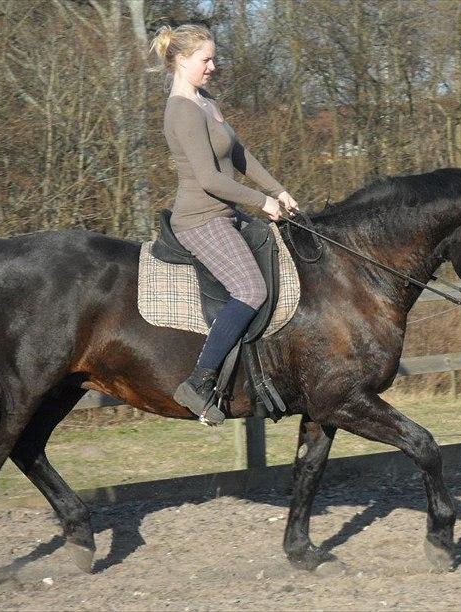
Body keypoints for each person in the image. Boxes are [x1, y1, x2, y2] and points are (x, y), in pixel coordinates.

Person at [149, 24, 299, 425]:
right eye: (206, 59)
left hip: (227, 213)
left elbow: (239, 155)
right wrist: (261, 200)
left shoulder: (204, 100)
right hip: (200, 220)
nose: (213, 66)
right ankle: (199, 383)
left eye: (213, 58)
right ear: (182, 60)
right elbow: (210, 179)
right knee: (250, 289)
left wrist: (278, 190)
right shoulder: (180, 109)